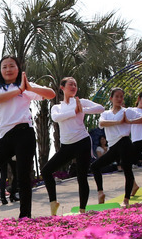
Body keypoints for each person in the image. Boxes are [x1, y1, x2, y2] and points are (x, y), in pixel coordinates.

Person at [0, 56, 55, 219]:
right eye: (4, 67)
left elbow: (51, 94)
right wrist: (20, 90)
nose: (8, 69)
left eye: (12, 66)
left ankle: (25, 216)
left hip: (24, 132)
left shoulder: (27, 87)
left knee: (24, 176)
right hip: (5, 136)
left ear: (18, 69)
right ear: (0, 71)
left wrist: (29, 88)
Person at [44, 77, 104, 215]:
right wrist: (74, 112)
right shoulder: (57, 107)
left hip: (82, 142)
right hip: (67, 146)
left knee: (81, 176)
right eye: (70, 84)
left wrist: (82, 108)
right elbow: (56, 118)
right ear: (62, 87)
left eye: (75, 85)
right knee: (46, 171)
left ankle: (82, 210)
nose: (73, 86)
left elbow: (100, 108)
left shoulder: (80, 101)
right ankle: (53, 203)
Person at [91, 88, 139, 207]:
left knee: (127, 169)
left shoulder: (127, 111)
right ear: (111, 98)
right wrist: (119, 122)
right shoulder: (106, 113)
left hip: (124, 142)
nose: (119, 99)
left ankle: (126, 199)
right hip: (113, 146)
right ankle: (100, 192)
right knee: (95, 166)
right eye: (116, 96)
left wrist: (129, 121)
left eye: (121, 96)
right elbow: (102, 124)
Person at [0, 125, 18, 205]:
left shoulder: (8, 126)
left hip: (8, 154)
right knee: (5, 175)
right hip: (5, 154)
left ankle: (10, 195)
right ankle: (5, 197)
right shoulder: (1, 127)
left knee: (13, 174)